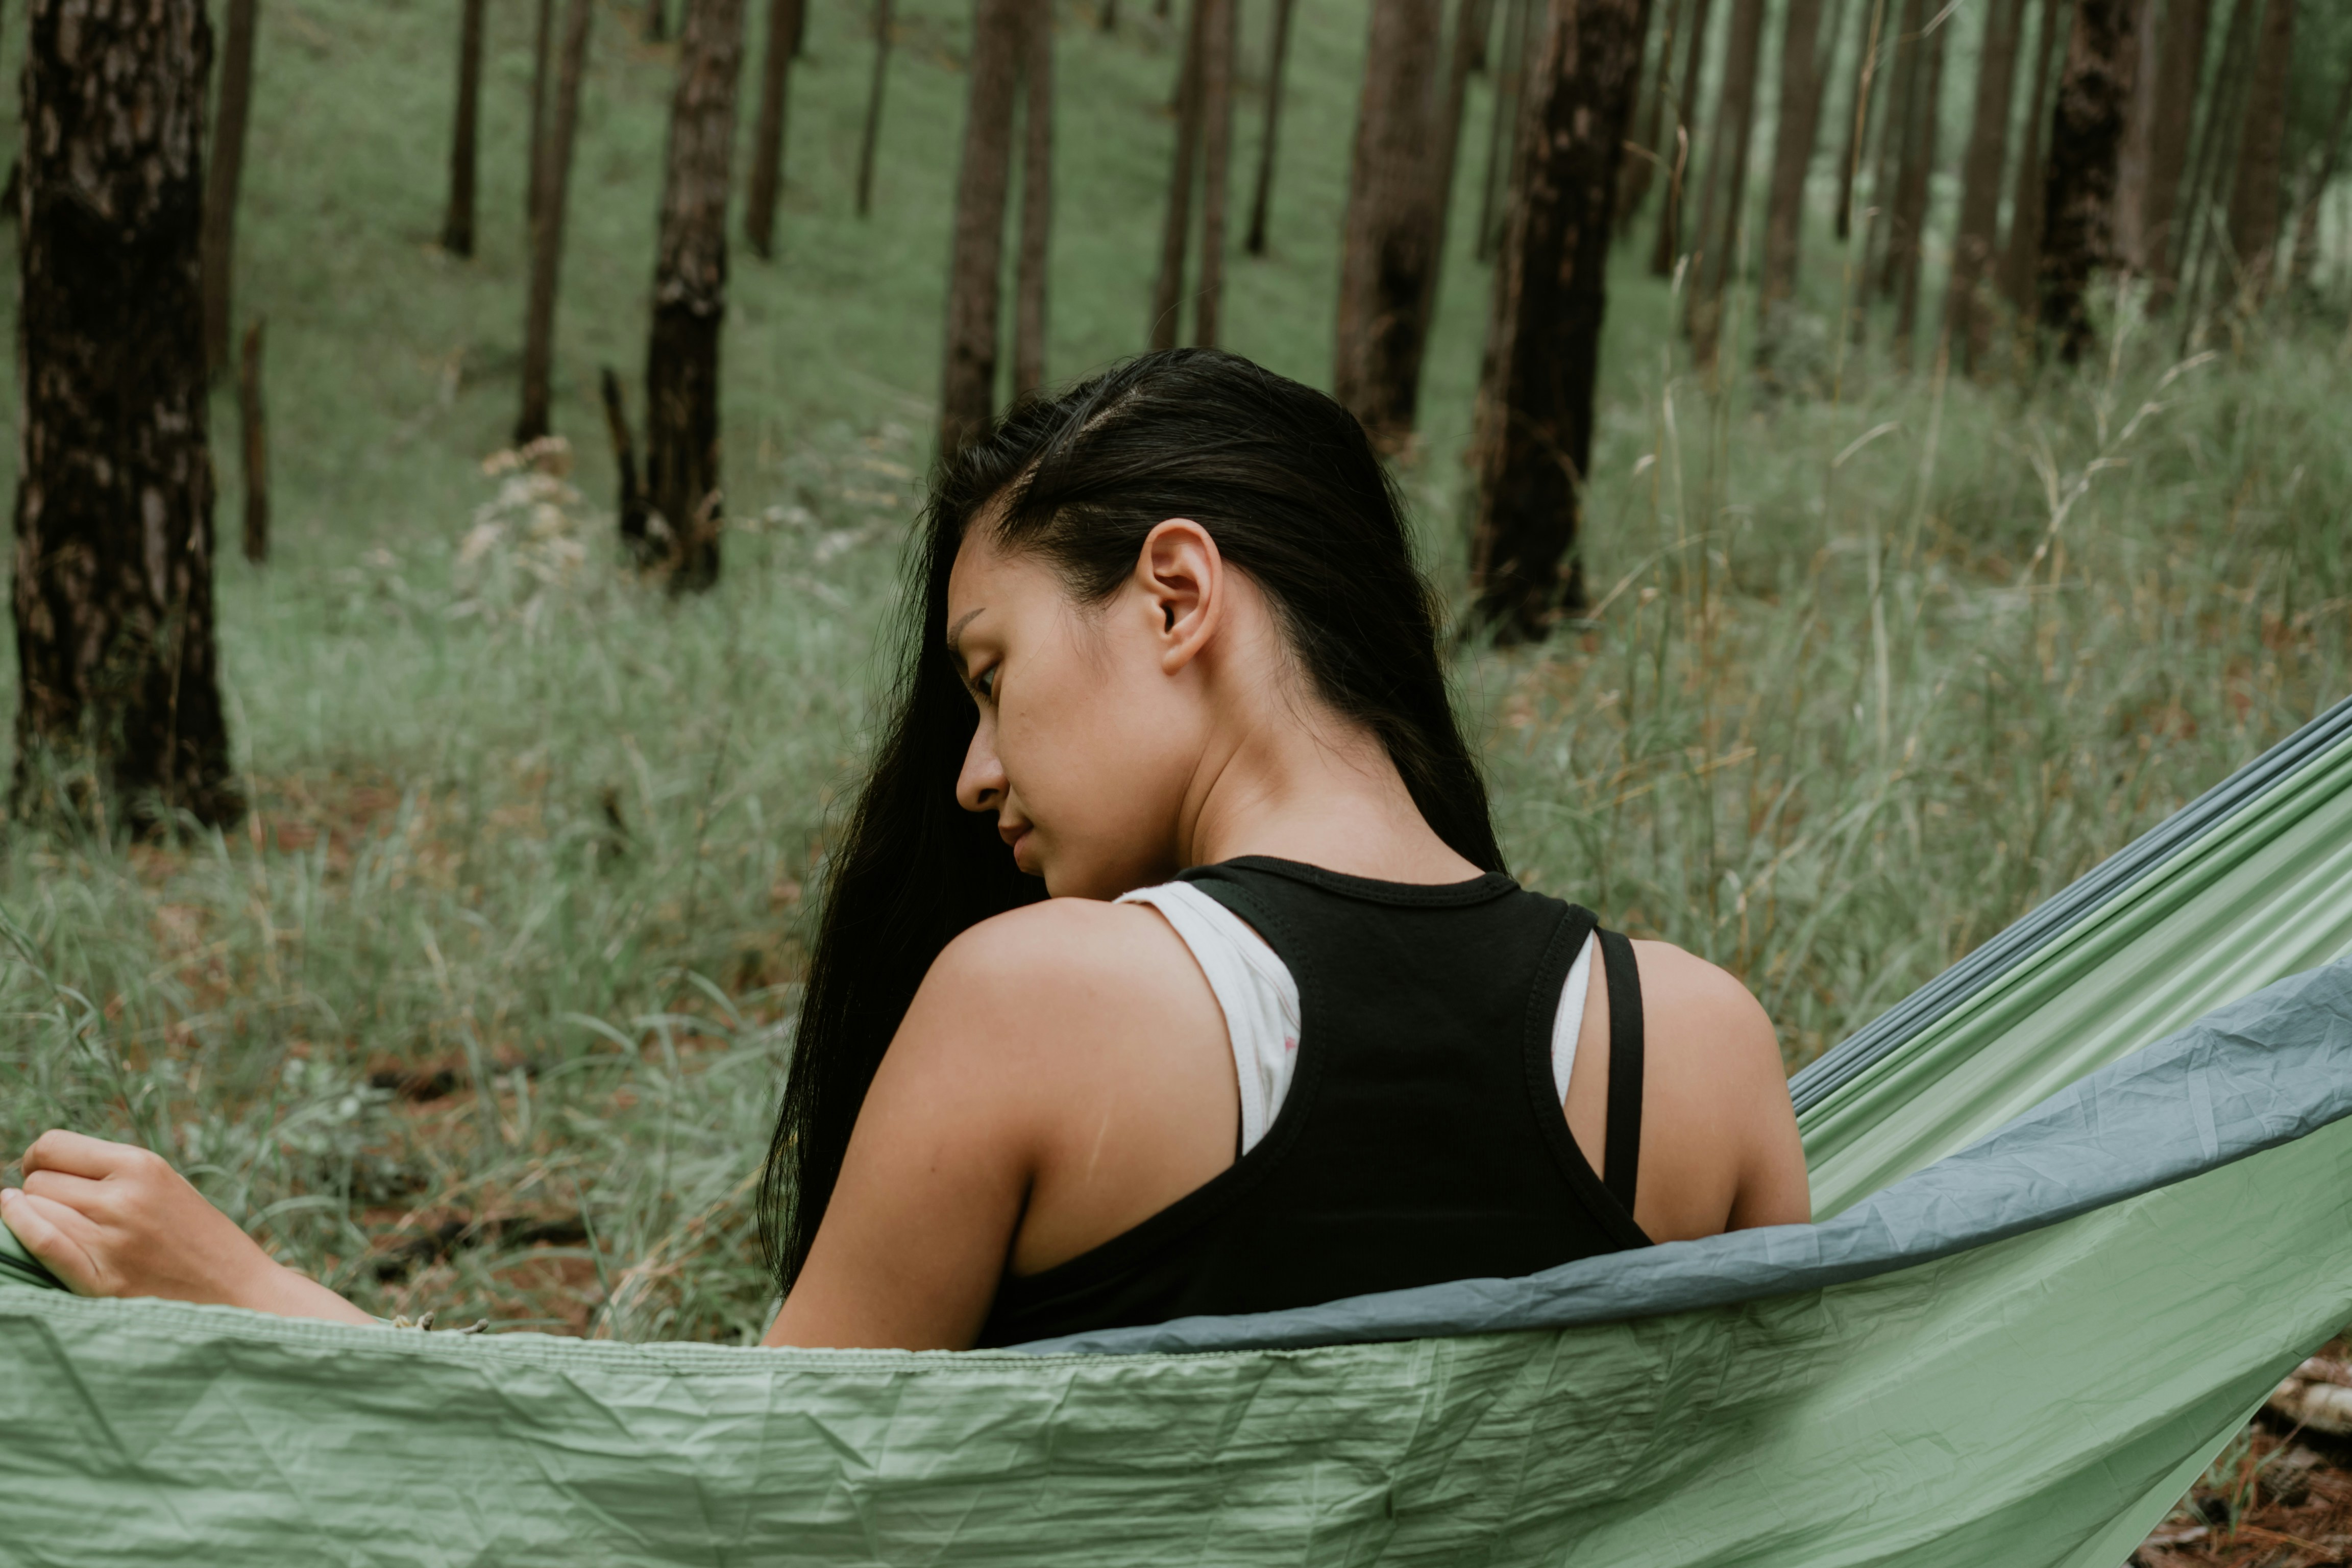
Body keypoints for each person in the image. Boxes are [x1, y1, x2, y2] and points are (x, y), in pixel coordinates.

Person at [3, 350, 1807, 1349]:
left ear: (1177, 593)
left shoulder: (1048, 1004)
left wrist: (256, 1304)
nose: (969, 771)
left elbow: (720, 1517)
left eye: (993, 674)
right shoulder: (1699, 1045)